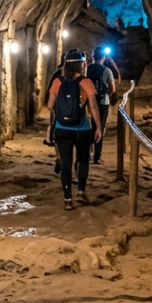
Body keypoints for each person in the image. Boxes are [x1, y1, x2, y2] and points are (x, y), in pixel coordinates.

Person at [46, 50, 103, 209]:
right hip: (81, 128)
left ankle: (67, 199)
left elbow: (50, 106)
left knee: (66, 162)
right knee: (83, 159)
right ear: (81, 64)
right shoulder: (86, 82)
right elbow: (93, 107)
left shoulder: (58, 81)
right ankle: (81, 190)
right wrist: (98, 127)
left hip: (61, 129)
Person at [86, 47, 115, 163]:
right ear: (103, 57)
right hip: (102, 102)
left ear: (93, 57)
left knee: (88, 127)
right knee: (99, 127)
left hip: (88, 101)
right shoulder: (107, 70)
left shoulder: (87, 69)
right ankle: (97, 157)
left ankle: (87, 154)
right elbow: (113, 88)